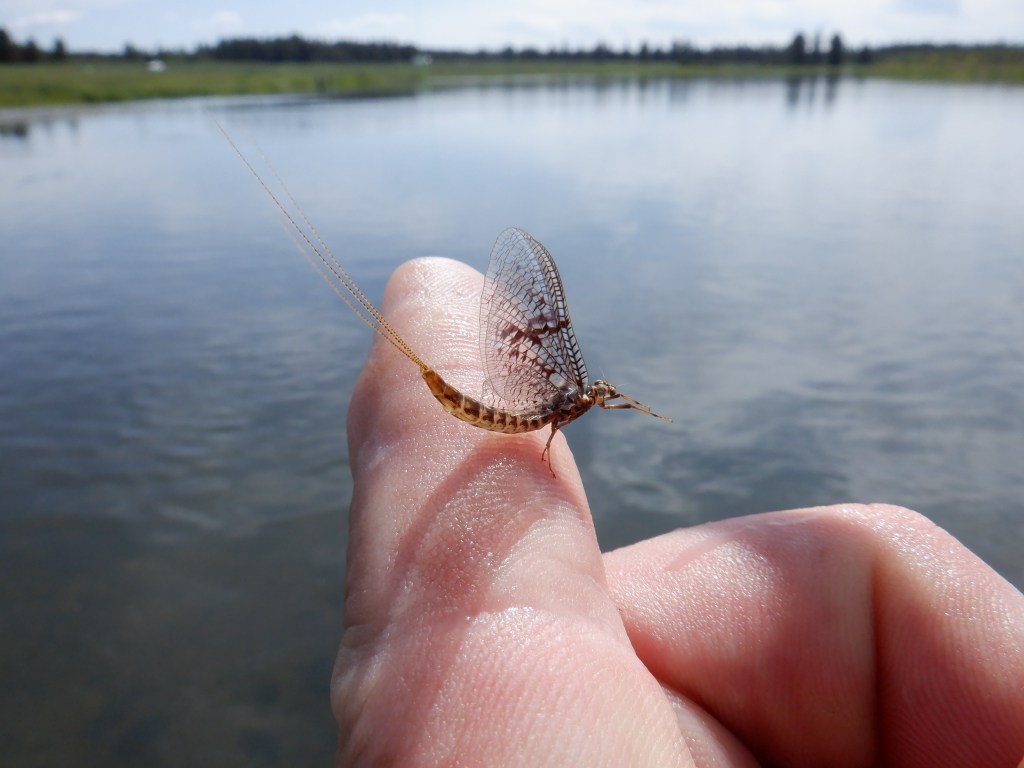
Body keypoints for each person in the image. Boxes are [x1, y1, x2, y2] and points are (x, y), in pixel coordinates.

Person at [331, 258, 1024, 767]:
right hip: (508, 418)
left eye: (603, 396)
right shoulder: (564, 399)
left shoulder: (573, 394)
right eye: (602, 395)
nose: (602, 397)